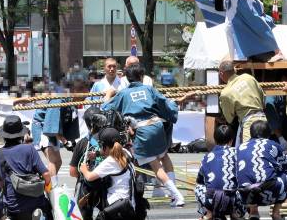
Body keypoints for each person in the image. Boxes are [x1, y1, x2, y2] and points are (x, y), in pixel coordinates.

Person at [102, 62, 184, 207]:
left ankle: (176, 195)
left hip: (142, 131)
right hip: (157, 127)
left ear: (127, 78)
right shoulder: (149, 89)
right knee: (157, 158)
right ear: (141, 76)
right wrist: (174, 106)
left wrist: (108, 94)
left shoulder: (123, 93)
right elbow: (164, 103)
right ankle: (134, 195)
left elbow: (106, 108)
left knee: (154, 165)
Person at [0, 117, 53, 220]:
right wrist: (48, 190)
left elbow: (0, 184)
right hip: (36, 204)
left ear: (4, 135)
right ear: (21, 134)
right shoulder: (29, 149)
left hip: (13, 207)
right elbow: (46, 175)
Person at [78, 127, 144, 220]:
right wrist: (96, 154)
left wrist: (84, 169)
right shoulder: (125, 153)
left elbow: (89, 177)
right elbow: (110, 151)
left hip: (115, 208)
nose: (100, 148)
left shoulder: (111, 161)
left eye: (101, 145)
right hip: (129, 206)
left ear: (105, 146)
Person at [235, 120, 287, 220]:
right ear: (269, 133)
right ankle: (276, 213)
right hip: (269, 192)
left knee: (247, 176)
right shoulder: (272, 144)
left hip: (244, 195)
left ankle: (253, 211)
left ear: (251, 133)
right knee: (286, 174)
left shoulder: (239, 148)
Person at [195, 124, 243, 220]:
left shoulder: (207, 157)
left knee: (198, 187)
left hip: (211, 201)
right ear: (231, 140)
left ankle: (208, 213)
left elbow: (200, 180)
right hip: (233, 200)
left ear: (215, 140)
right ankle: (236, 213)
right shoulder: (238, 154)